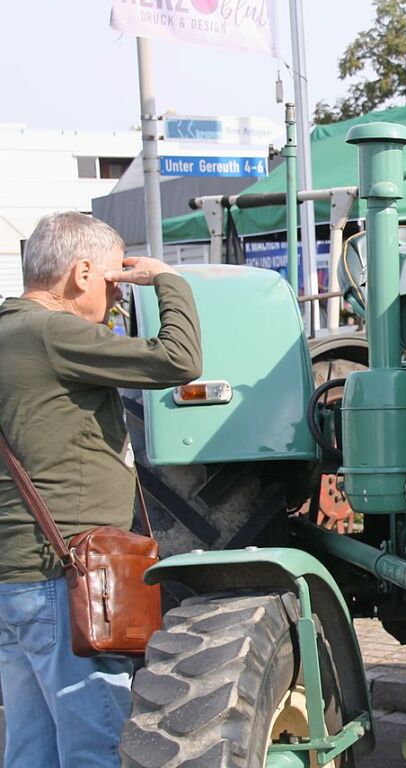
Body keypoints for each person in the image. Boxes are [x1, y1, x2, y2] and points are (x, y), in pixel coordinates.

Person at [0, 212, 202, 767]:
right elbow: (179, 360)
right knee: (96, 746)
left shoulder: (8, 331)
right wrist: (168, 282)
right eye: (115, 281)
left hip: (16, 578)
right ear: (82, 272)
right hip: (64, 580)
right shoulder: (53, 332)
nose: (116, 299)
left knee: (30, 748)